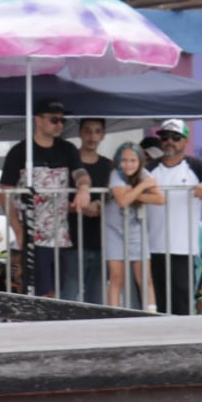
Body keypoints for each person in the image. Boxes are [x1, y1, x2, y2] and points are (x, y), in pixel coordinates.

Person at [145, 118, 202, 315]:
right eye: (165, 136)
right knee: (156, 307)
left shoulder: (196, 166)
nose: (170, 141)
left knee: (181, 306)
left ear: (185, 140)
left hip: (183, 249)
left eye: (176, 137)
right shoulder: (149, 168)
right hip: (152, 248)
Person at [0, 101, 90, 299]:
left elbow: (80, 173)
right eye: (54, 120)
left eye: (62, 120)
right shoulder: (19, 151)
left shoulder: (68, 148)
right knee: (40, 292)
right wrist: (18, 230)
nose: (59, 125)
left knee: (61, 291)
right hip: (33, 234)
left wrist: (84, 188)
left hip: (62, 236)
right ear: (38, 120)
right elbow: (5, 192)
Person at [104, 141, 161, 311]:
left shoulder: (144, 173)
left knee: (144, 278)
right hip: (114, 231)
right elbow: (122, 201)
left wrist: (133, 193)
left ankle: (151, 312)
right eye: (125, 160)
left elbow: (159, 199)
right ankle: (114, 314)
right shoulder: (115, 174)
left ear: (140, 161)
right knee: (116, 278)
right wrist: (142, 187)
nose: (128, 164)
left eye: (132, 160)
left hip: (136, 230)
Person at [70, 118, 113, 305]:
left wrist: (101, 207)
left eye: (97, 131)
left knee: (96, 301)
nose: (92, 136)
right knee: (68, 298)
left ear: (103, 135)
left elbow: (116, 197)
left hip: (101, 242)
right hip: (71, 243)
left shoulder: (109, 166)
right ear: (79, 132)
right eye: (87, 131)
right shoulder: (70, 164)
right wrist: (81, 206)